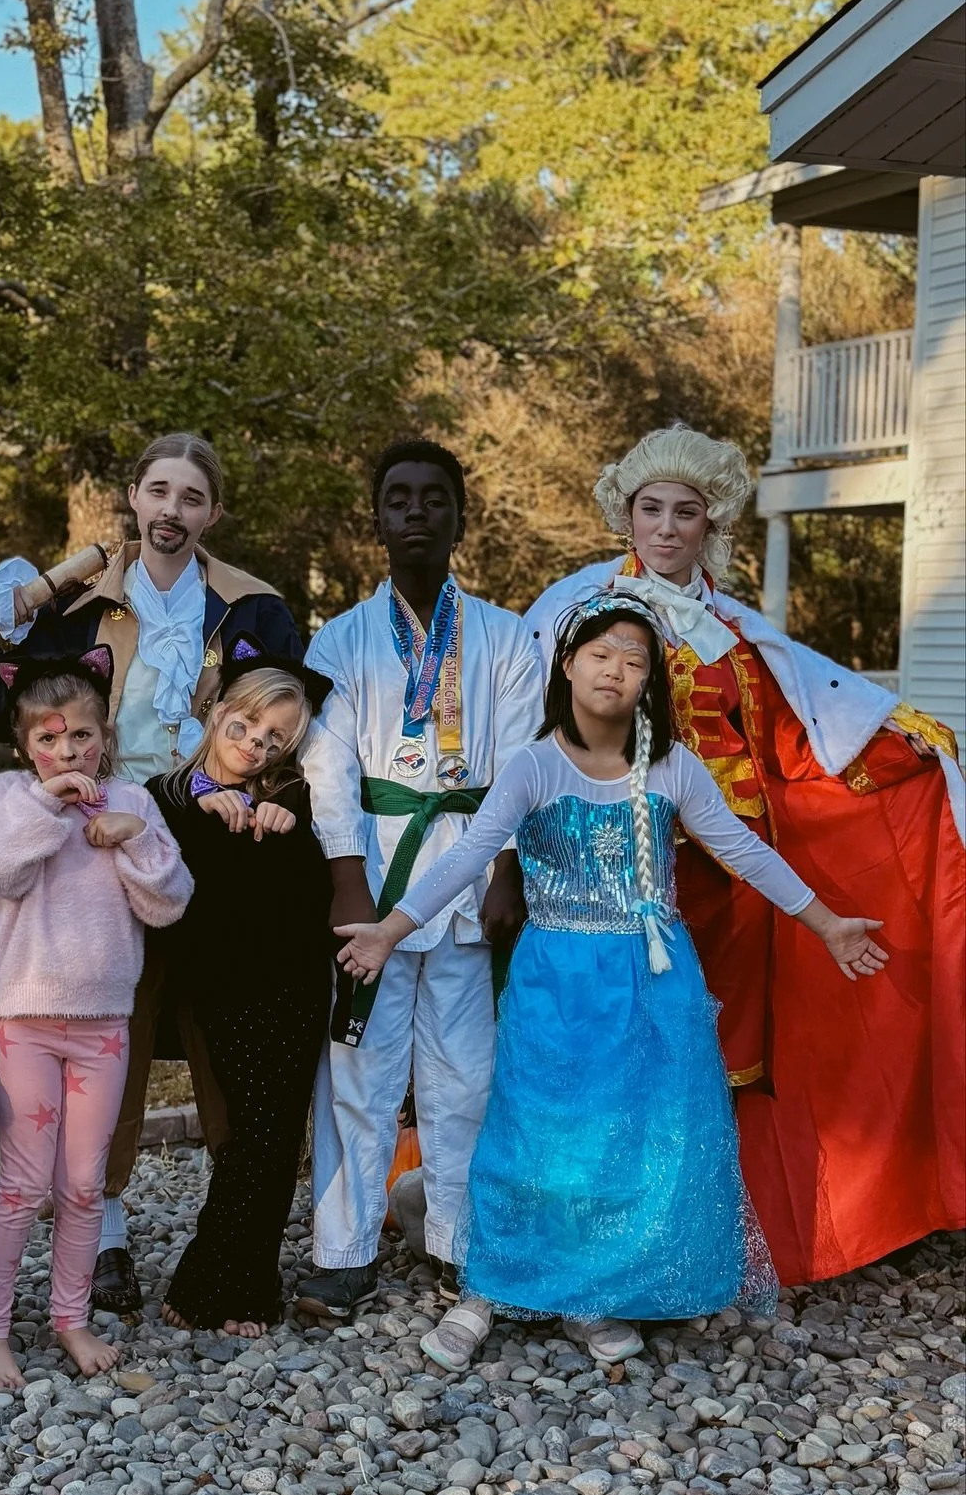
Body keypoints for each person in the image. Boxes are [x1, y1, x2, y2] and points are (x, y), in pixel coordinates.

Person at [336, 594, 889, 1367]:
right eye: (600, 654)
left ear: (646, 683)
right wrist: (392, 930)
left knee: (632, 1139)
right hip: (556, 980)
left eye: (634, 661)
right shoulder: (533, 765)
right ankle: (487, 1288)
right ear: (567, 666)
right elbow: (467, 857)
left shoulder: (669, 767)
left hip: (653, 978)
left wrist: (828, 922)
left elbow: (744, 850)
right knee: (532, 1133)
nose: (615, 671)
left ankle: (593, 1295)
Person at [523, 426, 965, 1284]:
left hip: (735, 879)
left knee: (721, 1058)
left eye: (685, 512)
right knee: (615, 1047)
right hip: (620, 873)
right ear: (626, 514)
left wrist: (897, 746)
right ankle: (595, 1244)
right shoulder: (578, 611)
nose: (665, 527)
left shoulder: (735, 629)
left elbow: (793, 741)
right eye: (650, 508)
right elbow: (532, 734)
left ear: (709, 521)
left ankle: (711, 1241)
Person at [0, 432, 304, 1312]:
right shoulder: (79, 611)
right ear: (133, 501)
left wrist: (262, 797)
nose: (172, 512)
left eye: (191, 498)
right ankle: (101, 1233)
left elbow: (291, 725)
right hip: (111, 837)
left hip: (221, 842)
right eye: (158, 493)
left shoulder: (254, 611)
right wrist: (1, 615)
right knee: (118, 1029)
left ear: (212, 514)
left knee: (230, 1036)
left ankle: (231, 1232)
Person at [296, 438, 544, 1320]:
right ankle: (345, 1249)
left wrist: (508, 866)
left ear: (459, 516)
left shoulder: (512, 638)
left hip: (472, 874)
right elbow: (326, 768)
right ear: (376, 518)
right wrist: (345, 880)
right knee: (357, 1066)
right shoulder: (341, 639)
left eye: (433, 499)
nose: (415, 513)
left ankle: (456, 1242)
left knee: (464, 1074)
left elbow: (519, 760)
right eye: (397, 499)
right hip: (373, 864)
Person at [0, 647, 193, 1389]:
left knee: (86, 1184)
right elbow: (0, 874)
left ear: (107, 734)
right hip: (24, 1021)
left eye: (82, 737)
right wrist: (50, 806)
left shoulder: (133, 802)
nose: (68, 751)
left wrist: (134, 842)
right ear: (25, 748)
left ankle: (70, 1316)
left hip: (103, 1027)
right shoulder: (9, 798)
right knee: (25, 1184)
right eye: (49, 740)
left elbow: (169, 901)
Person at [148, 638, 335, 1335]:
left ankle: (244, 1283)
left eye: (272, 740)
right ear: (216, 714)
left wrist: (285, 820)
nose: (253, 747)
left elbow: (308, 890)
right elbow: (155, 865)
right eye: (243, 728)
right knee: (247, 1136)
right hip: (221, 991)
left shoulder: (289, 798)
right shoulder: (168, 795)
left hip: (292, 987)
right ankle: (212, 1273)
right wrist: (206, 803)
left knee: (275, 1135)